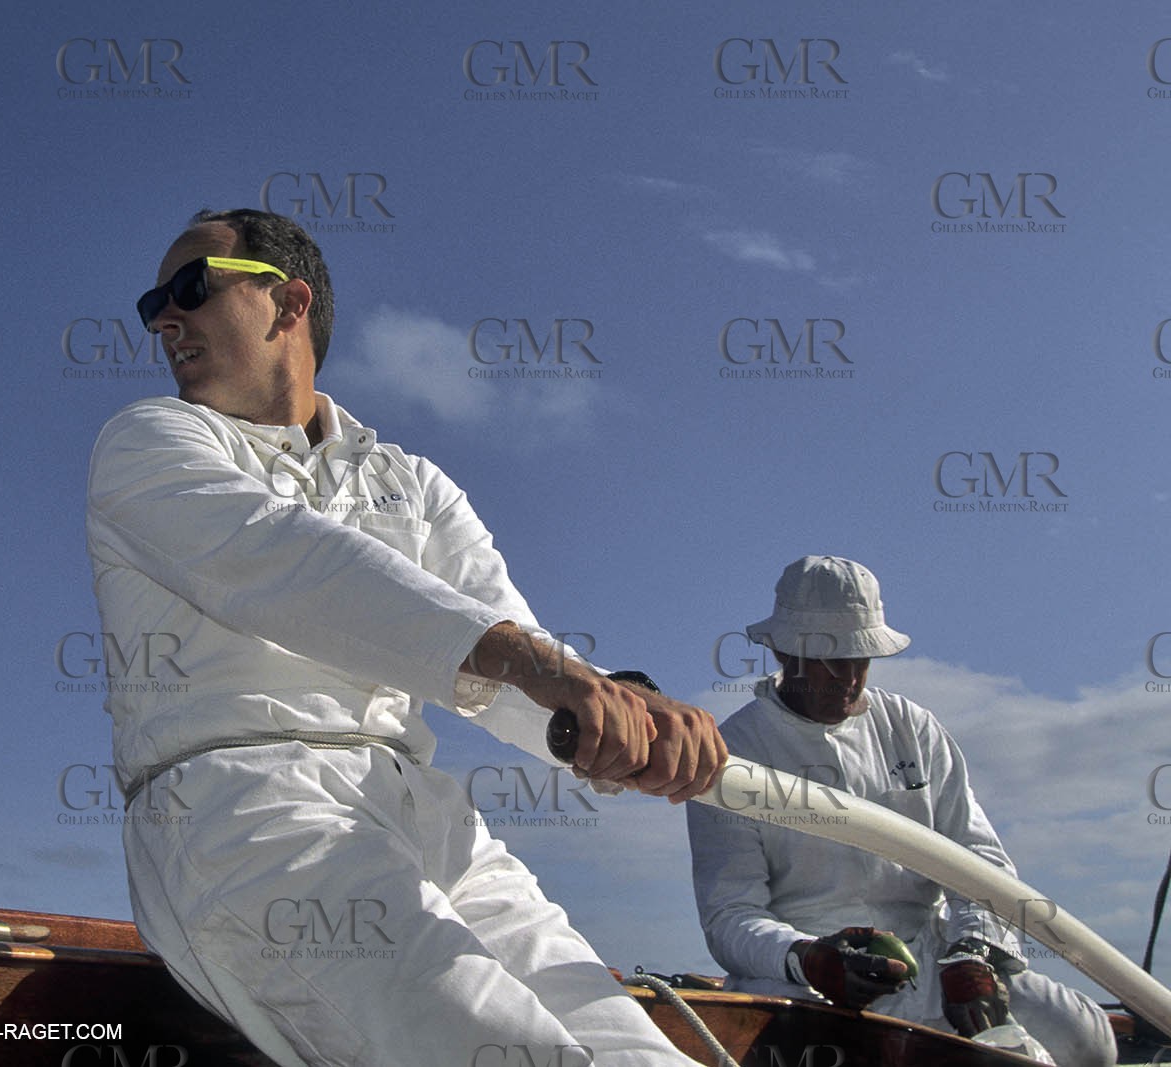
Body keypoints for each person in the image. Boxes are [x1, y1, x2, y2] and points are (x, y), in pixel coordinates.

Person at [85, 207, 728, 1066]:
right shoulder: (149, 441)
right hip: (248, 809)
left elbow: (512, 655)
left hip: (421, 811)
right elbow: (288, 562)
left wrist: (622, 720)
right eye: (152, 304)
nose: (165, 318)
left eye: (190, 289)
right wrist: (543, 665)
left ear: (289, 303)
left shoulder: (412, 483)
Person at [686, 555, 1115, 1066]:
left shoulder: (912, 726)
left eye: (860, 658)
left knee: (1088, 1039)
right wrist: (808, 958)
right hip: (809, 984)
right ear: (782, 651)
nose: (848, 678)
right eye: (831, 659)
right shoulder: (733, 753)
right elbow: (731, 916)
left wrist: (971, 953)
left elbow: (981, 862)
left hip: (935, 964)